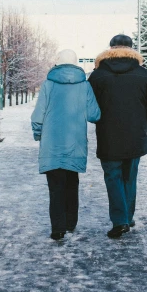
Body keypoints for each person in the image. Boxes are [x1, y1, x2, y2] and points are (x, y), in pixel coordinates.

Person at [88, 34, 147, 239]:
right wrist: (143, 126)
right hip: (135, 136)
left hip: (108, 135)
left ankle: (120, 220)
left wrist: (100, 121)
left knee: (113, 177)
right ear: (132, 49)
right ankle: (127, 217)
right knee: (130, 177)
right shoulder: (143, 74)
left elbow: (89, 106)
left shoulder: (97, 75)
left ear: (110, 48)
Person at [31, 49, 101, 241]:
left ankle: (58, 228)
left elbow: (38, 117)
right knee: (72, 184)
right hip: (75, 144)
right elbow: (95, 114)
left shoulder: (48, 85)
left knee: (55, 188)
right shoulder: (84, 85)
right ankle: (71, 223)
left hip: (51, 146)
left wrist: (39, 135)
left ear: (58, 63)